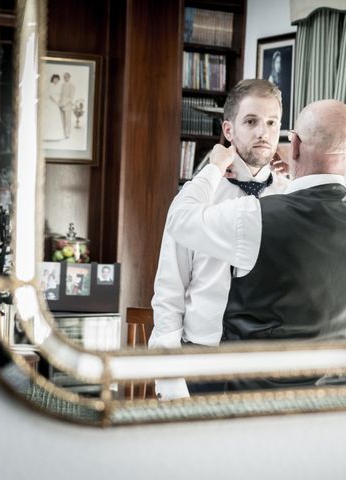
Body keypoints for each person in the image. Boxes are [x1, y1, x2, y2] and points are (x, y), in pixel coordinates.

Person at [166, 99, 346, 390]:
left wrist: (213, 168)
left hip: (262, 406)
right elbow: (340, 197)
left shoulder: (254, 216)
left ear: (294, 144)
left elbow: (179, 219)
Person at [148, 79, 289, 400]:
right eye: (251, 122)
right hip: (201, 355)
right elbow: (170, 285)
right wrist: (168, 374)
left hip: (267, 361)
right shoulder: (198, 199)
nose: (263, 133)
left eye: (272, 122)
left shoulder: (289, 196)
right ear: (229, 130)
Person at [43, 74, 64, 142]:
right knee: (50, 119)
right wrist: (56, 103)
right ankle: (48, 137)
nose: (56, 80)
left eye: (57, 79)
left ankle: (56, 137)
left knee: (56, 119)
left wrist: (59, 102)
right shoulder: (50, 85)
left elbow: (59, 95)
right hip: (51, 104)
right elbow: (50, 96)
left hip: (56, 104)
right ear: (52, 79)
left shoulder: (58, 86)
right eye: (55, 79)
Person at [59, 72, 75, 139]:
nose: (66, 78)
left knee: (67, 121)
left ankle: (67, 134)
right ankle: (63, 134)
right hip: (61, 106)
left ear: (69, 77)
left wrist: (64, 104)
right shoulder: (62, 85)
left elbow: (71, 98)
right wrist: (60, 104)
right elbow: (60, 96)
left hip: (67, 106)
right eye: (65, 77)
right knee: (62, 120)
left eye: (67, 77)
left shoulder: (72, 86)